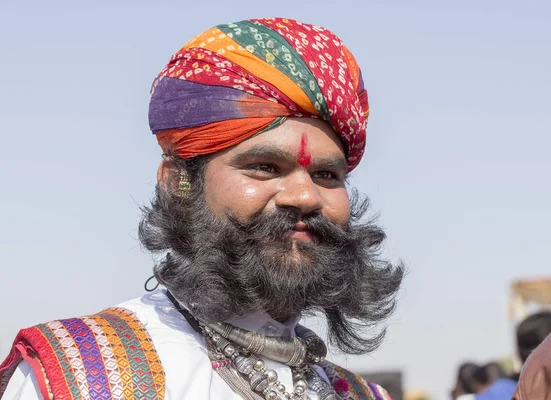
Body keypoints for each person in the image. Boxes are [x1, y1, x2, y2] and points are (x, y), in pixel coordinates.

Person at [0, 17, 403, 400]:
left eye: (327, 175)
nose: (305, 196)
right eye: (264, 168)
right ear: (178, 183)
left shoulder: (364, 394)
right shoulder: (82, 376)